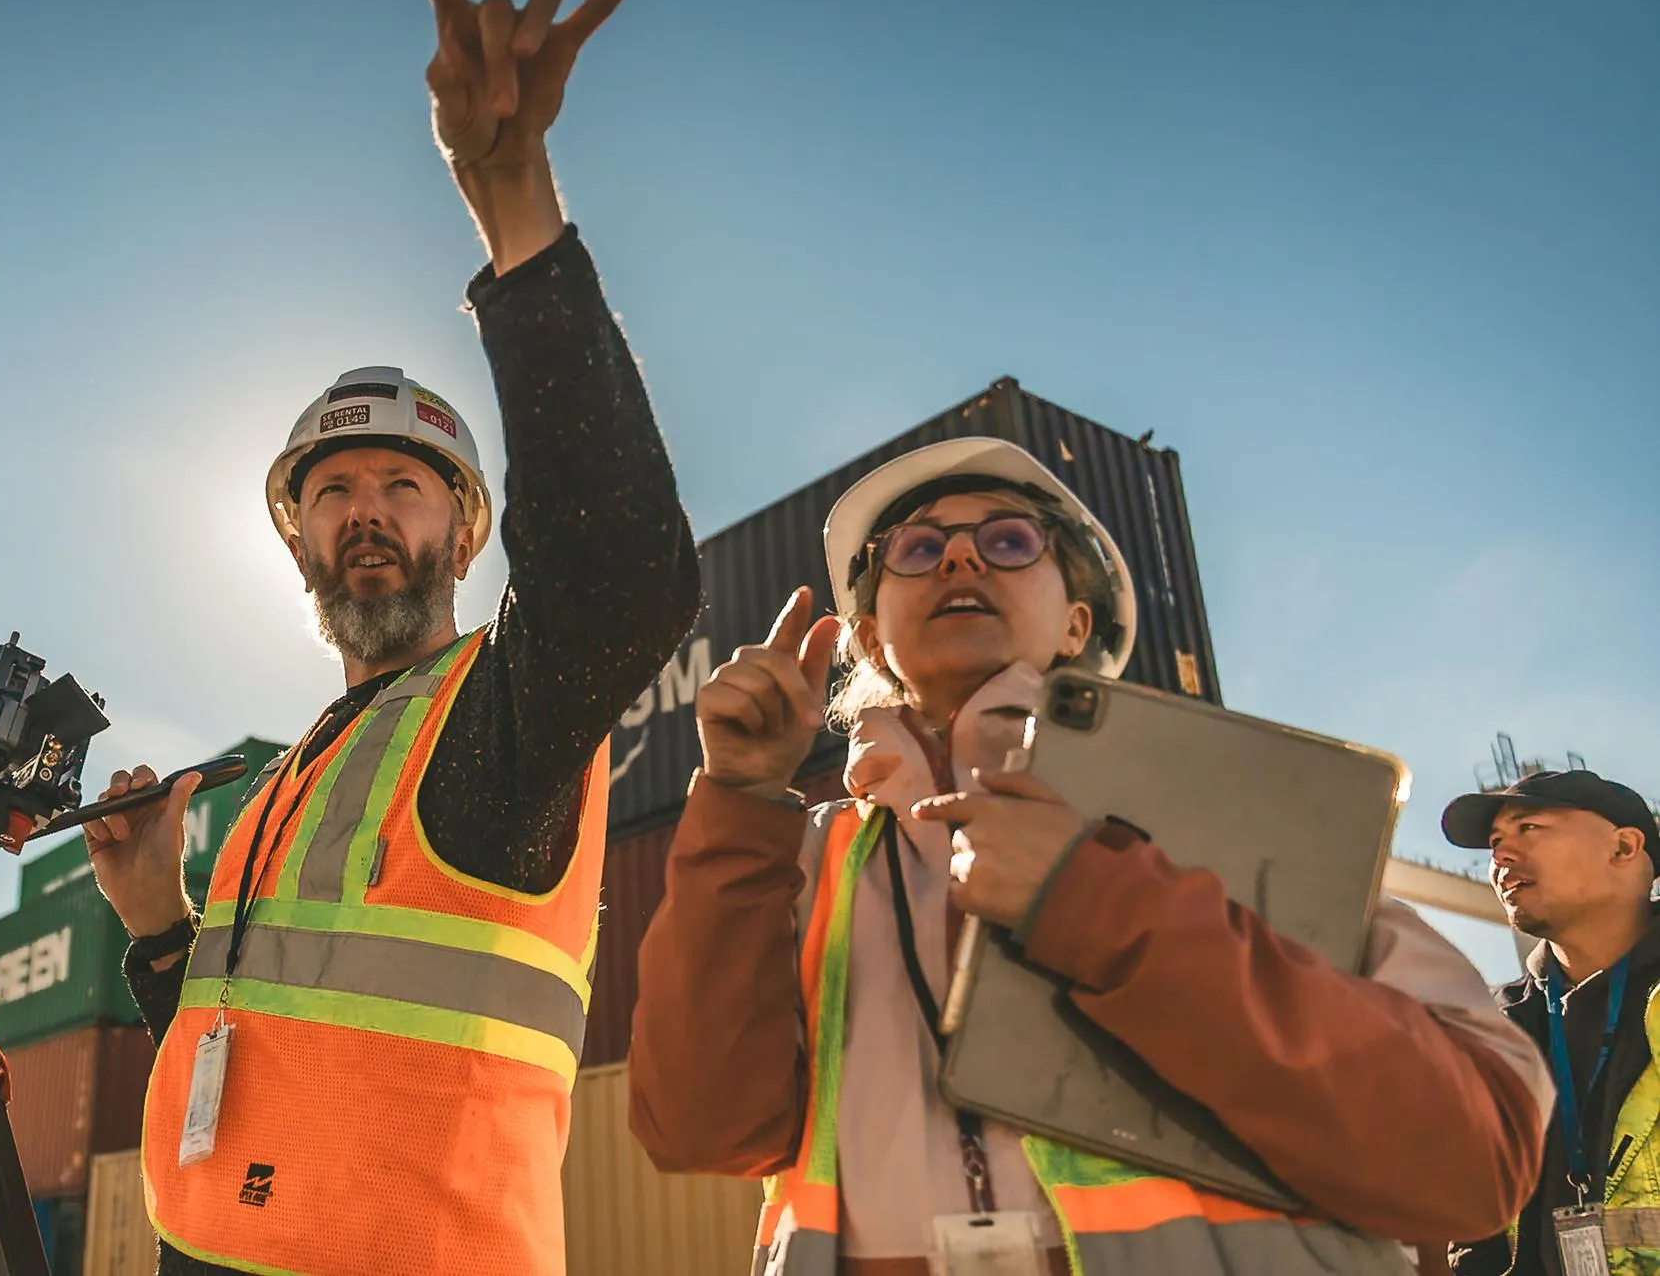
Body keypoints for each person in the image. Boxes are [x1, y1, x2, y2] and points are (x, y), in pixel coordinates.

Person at [79, 0, 699, 1276]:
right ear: (296, 542)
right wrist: (158, 923)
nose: (366, 510)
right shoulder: (289, 777)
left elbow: (618, 578)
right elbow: (251, 1035)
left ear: (466, 533)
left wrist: (513, 208)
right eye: (333, 490)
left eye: (403, 485)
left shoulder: (499, 725)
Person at [627, 435, 1553, 1275]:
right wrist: (741, 802)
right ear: (871, 639)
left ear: (1075, 625)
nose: (958, 556)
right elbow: (700, 1128)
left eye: (1009, 541)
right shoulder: (801, 863)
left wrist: (1105, 907)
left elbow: (1477, 1161)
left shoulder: (1228, 819)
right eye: (917, 549)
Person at [1443, 768, 1660, 1275]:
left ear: (1624, 849)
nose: (1500, 855)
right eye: (1495, 842)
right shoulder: (1489, 1030)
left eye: (1529, 829)